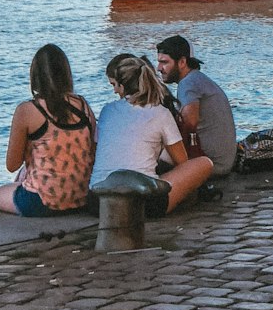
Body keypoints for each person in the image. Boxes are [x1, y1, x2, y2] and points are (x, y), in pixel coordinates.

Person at [0, 44, 96, 216]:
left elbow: (12, 165)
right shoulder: (83, 106)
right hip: (81, 198)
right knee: (24, 175)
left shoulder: (27, 110)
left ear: (35, 76)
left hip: (42, 202)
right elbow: (92, 150)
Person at [91, 55, 212, 213]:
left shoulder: (107, 111)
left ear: (122, 86)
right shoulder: (160, 113)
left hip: (97, 201)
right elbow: (182, 162)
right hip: (141, 203)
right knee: (204, 163)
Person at [155, 35, 238, 177]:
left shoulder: (188, 83)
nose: (159, 68)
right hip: (224, 161)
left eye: (164, 62)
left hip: (212, 165)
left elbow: (189, 123)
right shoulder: (198, 78)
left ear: (182, 62)